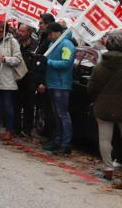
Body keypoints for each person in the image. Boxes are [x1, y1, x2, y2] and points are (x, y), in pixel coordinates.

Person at [88, 30, 122, 179]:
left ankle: (108, 169)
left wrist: (98, 98)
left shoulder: (100, 67)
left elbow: (91, 89)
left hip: (103, 107)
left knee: (104, 139)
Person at [40, 22, 75, 154]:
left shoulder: (66, 44)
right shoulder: (52, 44)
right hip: (52, 83)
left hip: (61, 85)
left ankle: (65, 143)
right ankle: (57, 140)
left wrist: (48, 62)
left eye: (50, 34)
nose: (48, 37)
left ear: (56, 32)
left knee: (63, 115)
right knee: (57, 115)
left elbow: (66, 63)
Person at [0, 22, 23, 141]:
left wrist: (5, 59)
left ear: (6, 31)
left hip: (7, 78)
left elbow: (18, 59)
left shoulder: (12, 42)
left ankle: (9, 130)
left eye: (1, 31)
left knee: (8, 106)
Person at [15, 24, 39, 139]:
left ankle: (27, 130)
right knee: (17, 104)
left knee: (29, 106)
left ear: (29, 32)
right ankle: (16, 129)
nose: (19, 33)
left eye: (22, 31)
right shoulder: (16, 43)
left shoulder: (36, 44)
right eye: (19, 30)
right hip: (18, 78)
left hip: (30, 79)